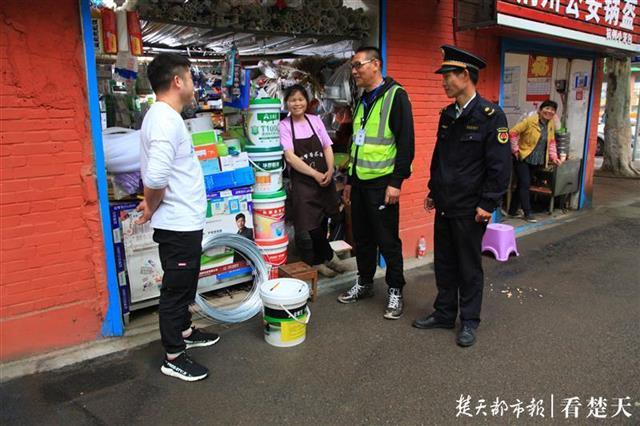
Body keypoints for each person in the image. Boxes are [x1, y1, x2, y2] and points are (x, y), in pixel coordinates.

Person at [413, 45, 511, 347]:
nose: (443, 82)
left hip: (470, 208)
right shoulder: (448, 114)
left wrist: (488, 202)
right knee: (444, 263)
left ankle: (469, 321)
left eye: (447, 76)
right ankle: (444, 313)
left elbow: (500, 165)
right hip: (445, 203)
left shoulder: (490, 116)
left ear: (465, 75)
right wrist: (432, 189)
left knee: (468, 266)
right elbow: (440, 156)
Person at [137, 53, 219, 381]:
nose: (193, 83)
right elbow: (156, 177)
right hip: (177, 224)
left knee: (185, 286)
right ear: (177, 81)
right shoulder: (163, 119)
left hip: (185, 222)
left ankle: (184, 332)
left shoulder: (168, 117)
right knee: (175, 290)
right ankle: (173, 355)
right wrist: (152, 204)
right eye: (189, 75)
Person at [337, 46, 415, 320]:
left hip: (383, 185)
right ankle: (365, 282)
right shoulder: (362, 99)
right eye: (353, 66)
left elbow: (406, 144)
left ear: (376, 64)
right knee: (363, 238)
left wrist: (396, 183)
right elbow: (356, 144)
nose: (354, 71)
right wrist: (349, 181)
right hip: (359, 183)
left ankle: (395, 289)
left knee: (387, 240)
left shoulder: (396, 96)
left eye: (358, 65)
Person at [279, 84, 349, 277]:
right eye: (292, 100)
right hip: (303, 182)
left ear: (307, 101)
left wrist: (329, 170)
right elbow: (291, 157)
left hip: (324, 178)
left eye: (300, 99)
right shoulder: (284, 125)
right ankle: (329, 256)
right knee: (311, 224)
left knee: (324, 218)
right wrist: (316, 174)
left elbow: (327, 146)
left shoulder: (315, 120)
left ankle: (318, 262)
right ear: (286, 103)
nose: (297, 103)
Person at [507, 100, 564, 222]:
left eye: (553, 110)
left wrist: (554, 157)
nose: (549, 111)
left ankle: (512, 211)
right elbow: (512, 132)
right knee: (525, 184)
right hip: (523, 158)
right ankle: (527, 213)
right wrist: (516, 150)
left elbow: (552, 142)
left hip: (536, 160)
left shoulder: (550, 124)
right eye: (547, 108)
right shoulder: (530, 121)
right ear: (540, 109)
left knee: (522, 185)